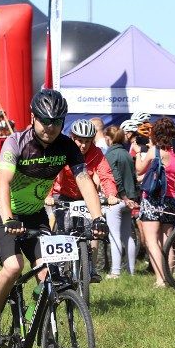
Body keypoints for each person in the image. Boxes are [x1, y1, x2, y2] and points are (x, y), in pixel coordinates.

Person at [0, 89, 107, 347]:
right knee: (14, 267)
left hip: (35, 215)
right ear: (32, 118)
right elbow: (3, 182)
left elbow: (84, 181)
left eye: (57, 122)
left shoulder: (67, 146)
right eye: (45, 120)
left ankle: (41, 326)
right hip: (4, 213)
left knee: (49, 274)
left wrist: (98, 218)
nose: (50, 127)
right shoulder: (16, 142)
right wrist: (8, 219)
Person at [48, 119, 119, 283]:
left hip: (87, 197)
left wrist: (111, 194)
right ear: (72, 137)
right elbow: (51, 173)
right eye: (80, 140)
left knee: (93, 231)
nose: (84, 145)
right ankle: (58, 269)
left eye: (88, 141)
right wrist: (49, 195)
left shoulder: (97, 153)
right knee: (63, 233)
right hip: (63, 195)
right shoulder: (63, 150)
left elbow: (106, 175)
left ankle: (90, 269)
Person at [137, 117, 175, 288]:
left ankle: (160, 279)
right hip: (170, 199)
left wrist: (137, 152)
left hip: (153, 199)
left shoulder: (154, 151)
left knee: (151, 241)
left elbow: (139, 169)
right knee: (167, 240)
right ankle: (169, 278)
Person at [102, 126, 139, 278]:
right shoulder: (126, 154)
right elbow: (134, 177)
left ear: (108, 139)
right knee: (127, 236)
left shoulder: (110, 155)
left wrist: (122, 195)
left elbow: (115, 178)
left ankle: (115, 272)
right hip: (129, 200)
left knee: (114, 236)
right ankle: (131, 271)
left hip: (117, 199)